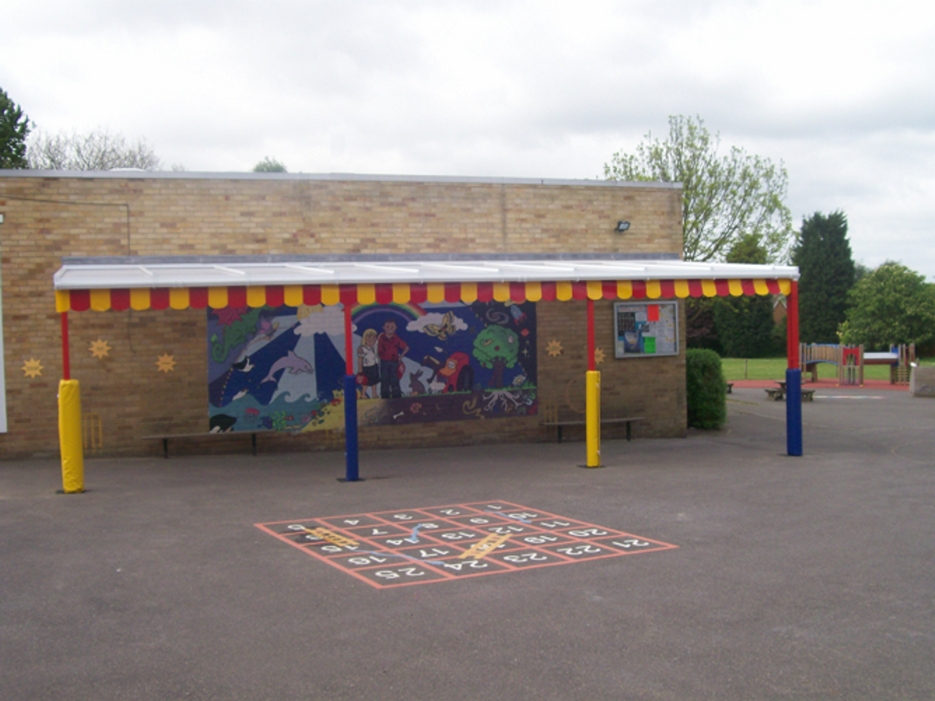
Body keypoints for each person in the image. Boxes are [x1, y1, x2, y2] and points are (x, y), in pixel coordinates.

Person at [377, 320, 408, 398]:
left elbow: (406, 347)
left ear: (396, 328)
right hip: (384, 361)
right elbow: (377, 349)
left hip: (394, 362)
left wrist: (400, 357)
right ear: (384, 328)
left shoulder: (396, 338)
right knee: (384, 378)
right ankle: (384, 395)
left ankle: (396, 394)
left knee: (394, 378)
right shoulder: (381, 338)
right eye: (387, 327)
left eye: (392, 327)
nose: (390, 329)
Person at [356, 328, 380, 398]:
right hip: (366, 367)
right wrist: (360, 369)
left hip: (374, 366)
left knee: (374, 381)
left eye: (372, 337)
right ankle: (363, 394)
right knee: (365, 382)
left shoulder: (375, 346)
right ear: (365, 338)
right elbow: (360, 359)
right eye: (368, 337)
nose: (370, 339)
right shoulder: (362, 348)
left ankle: (374, 393)